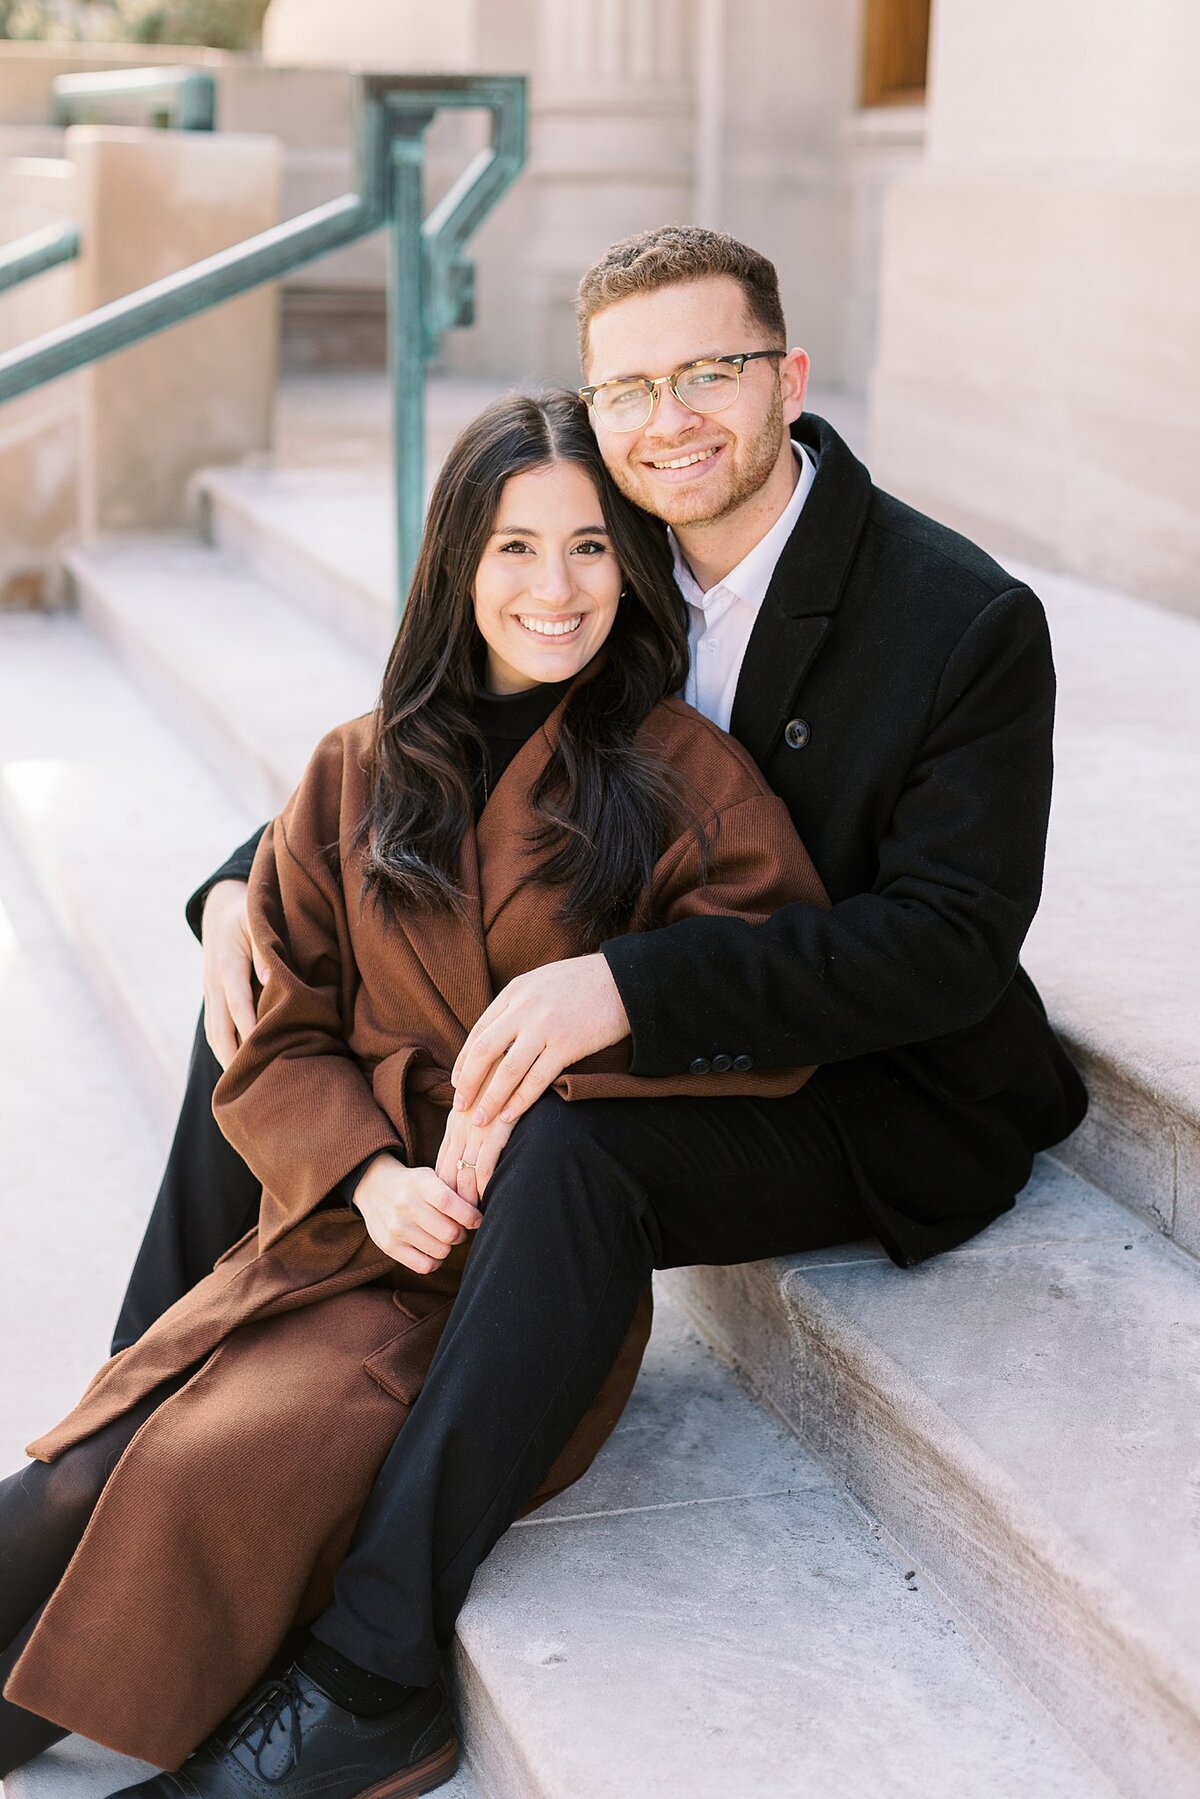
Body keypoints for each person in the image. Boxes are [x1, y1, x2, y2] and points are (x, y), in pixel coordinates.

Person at [9, 223, 1087, 1799]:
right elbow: (457, 706)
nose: (672, 419)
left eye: (711, 372)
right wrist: (239, 883)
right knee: (249, 994)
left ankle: (371, 1669)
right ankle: (156, 1394)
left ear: (788, 377)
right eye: (632, 386)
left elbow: (943, 949)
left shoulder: (958, 619)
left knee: (572, 1152)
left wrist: (620, 990)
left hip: (876, 1086)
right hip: (634, 1015)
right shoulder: (618, 525)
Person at [0, 390, 831, 1790]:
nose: (554, 589)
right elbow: (274, 1037)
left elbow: (760, 1007)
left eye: (587, 548)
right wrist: (372, 1175)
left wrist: (570, 1071)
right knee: (66, 1475)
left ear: (631, 568)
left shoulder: (688, 781)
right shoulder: (358, 767)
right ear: (456, 563)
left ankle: (308, 1723)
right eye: (514, 548)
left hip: (503, 1280)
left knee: (200, 1467)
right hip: (337, 1232)